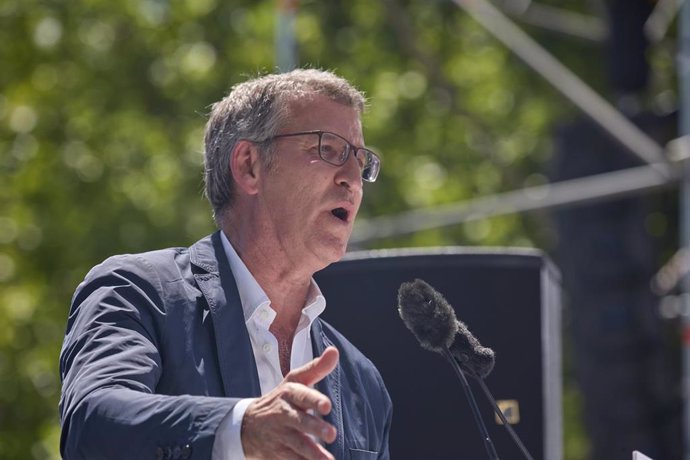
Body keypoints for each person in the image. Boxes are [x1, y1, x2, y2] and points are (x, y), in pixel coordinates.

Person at [59, 69, 392, 460]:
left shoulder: (362, 381)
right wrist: (240, 427)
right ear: (250, 165)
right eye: (328, 149)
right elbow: (93, 423)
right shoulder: (139, 293)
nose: (353, 178)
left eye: (361, 160)